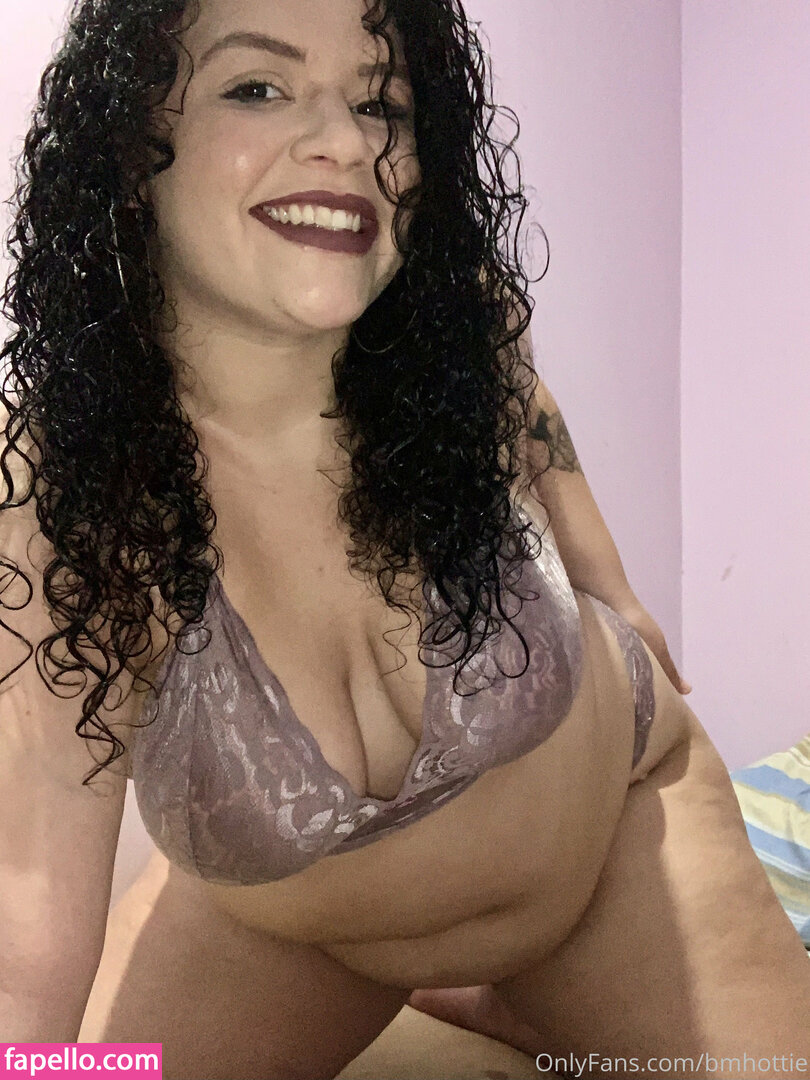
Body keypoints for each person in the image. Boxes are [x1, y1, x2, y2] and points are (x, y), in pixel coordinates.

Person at [0, 1, 807, 1079]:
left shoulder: (455, 325)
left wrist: (613, 589)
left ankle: (521, 1000)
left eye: (381, 102)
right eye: (257, 87)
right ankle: (486, 999)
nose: (346, 142)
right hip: (301, 939)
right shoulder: (65, 489)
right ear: (128, 148)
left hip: (619, 839)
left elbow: (530, 414)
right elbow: (24, 935)